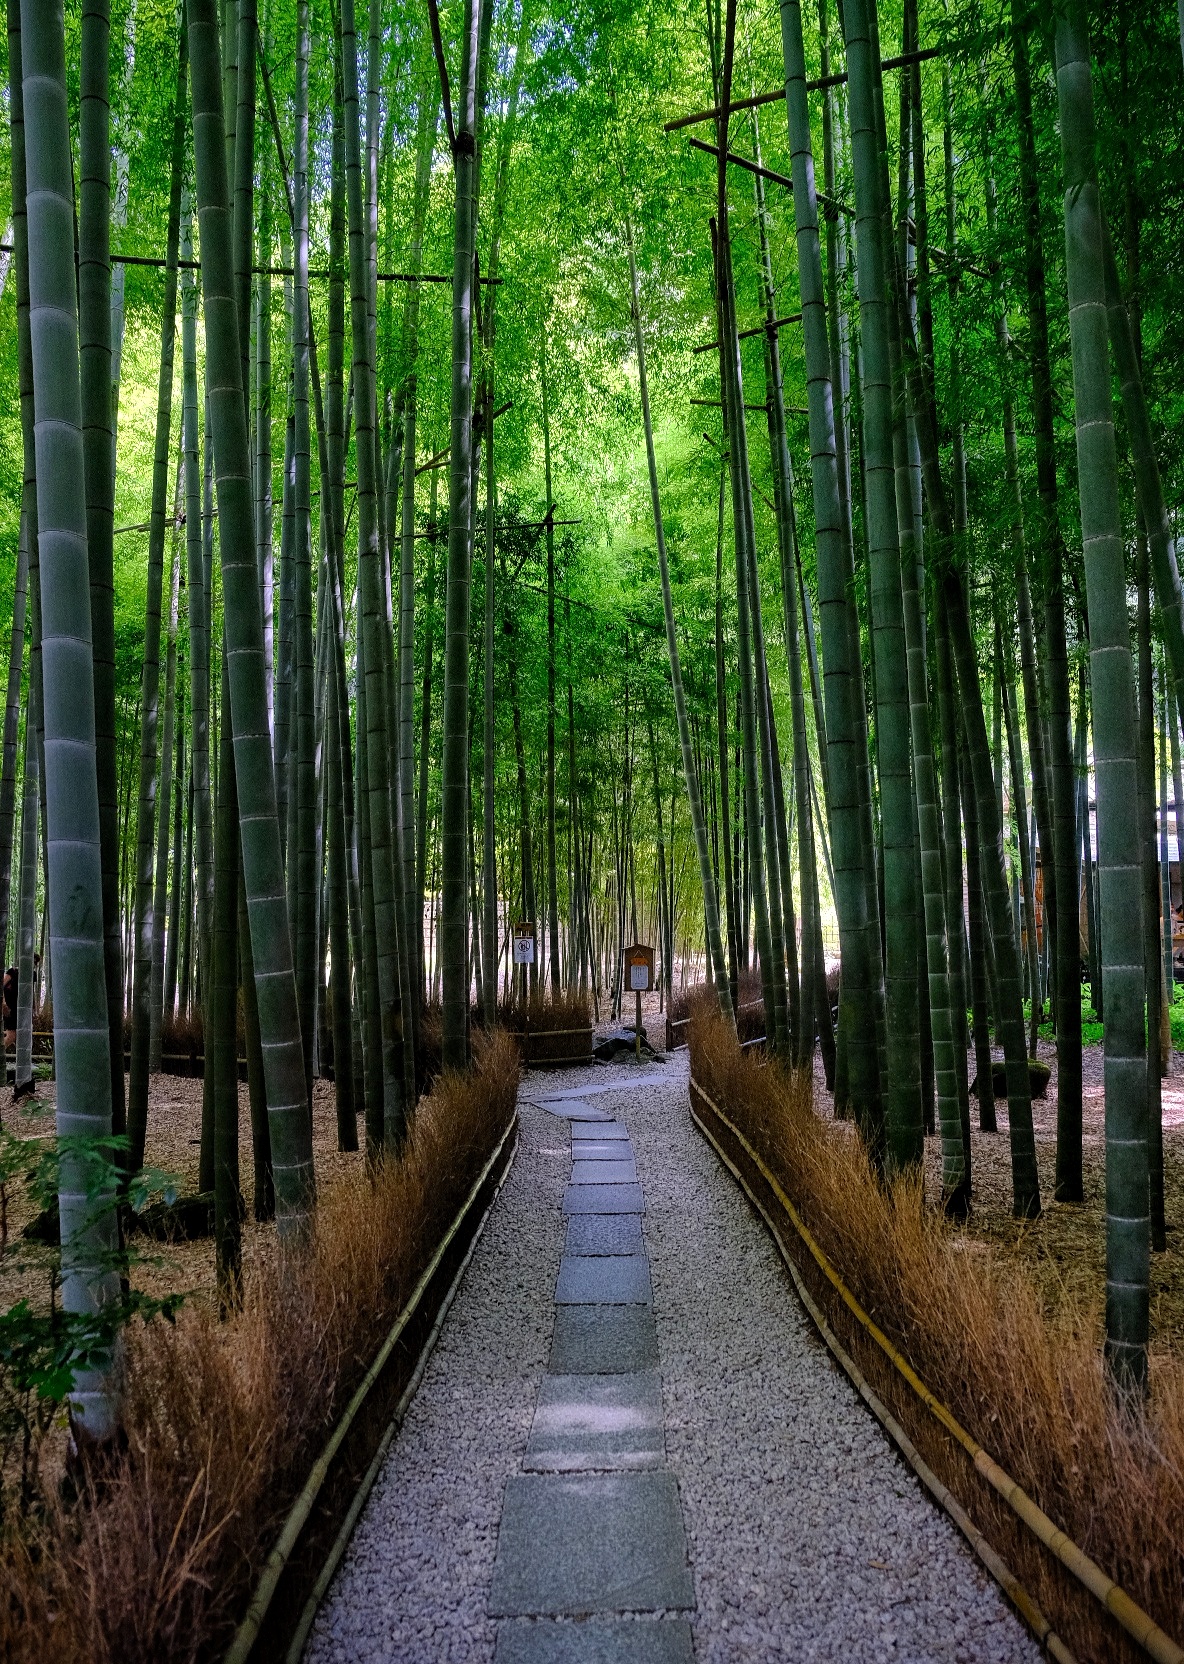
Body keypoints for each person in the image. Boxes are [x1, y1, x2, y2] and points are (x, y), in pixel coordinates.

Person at [3, 966, 16, 1053]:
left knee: (20, 1035)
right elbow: (2, 985)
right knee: (11, 1036)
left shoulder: (31, 974)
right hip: (9, 1007)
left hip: (19, 1009)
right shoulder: (13, 971)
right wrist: (3, 1003)